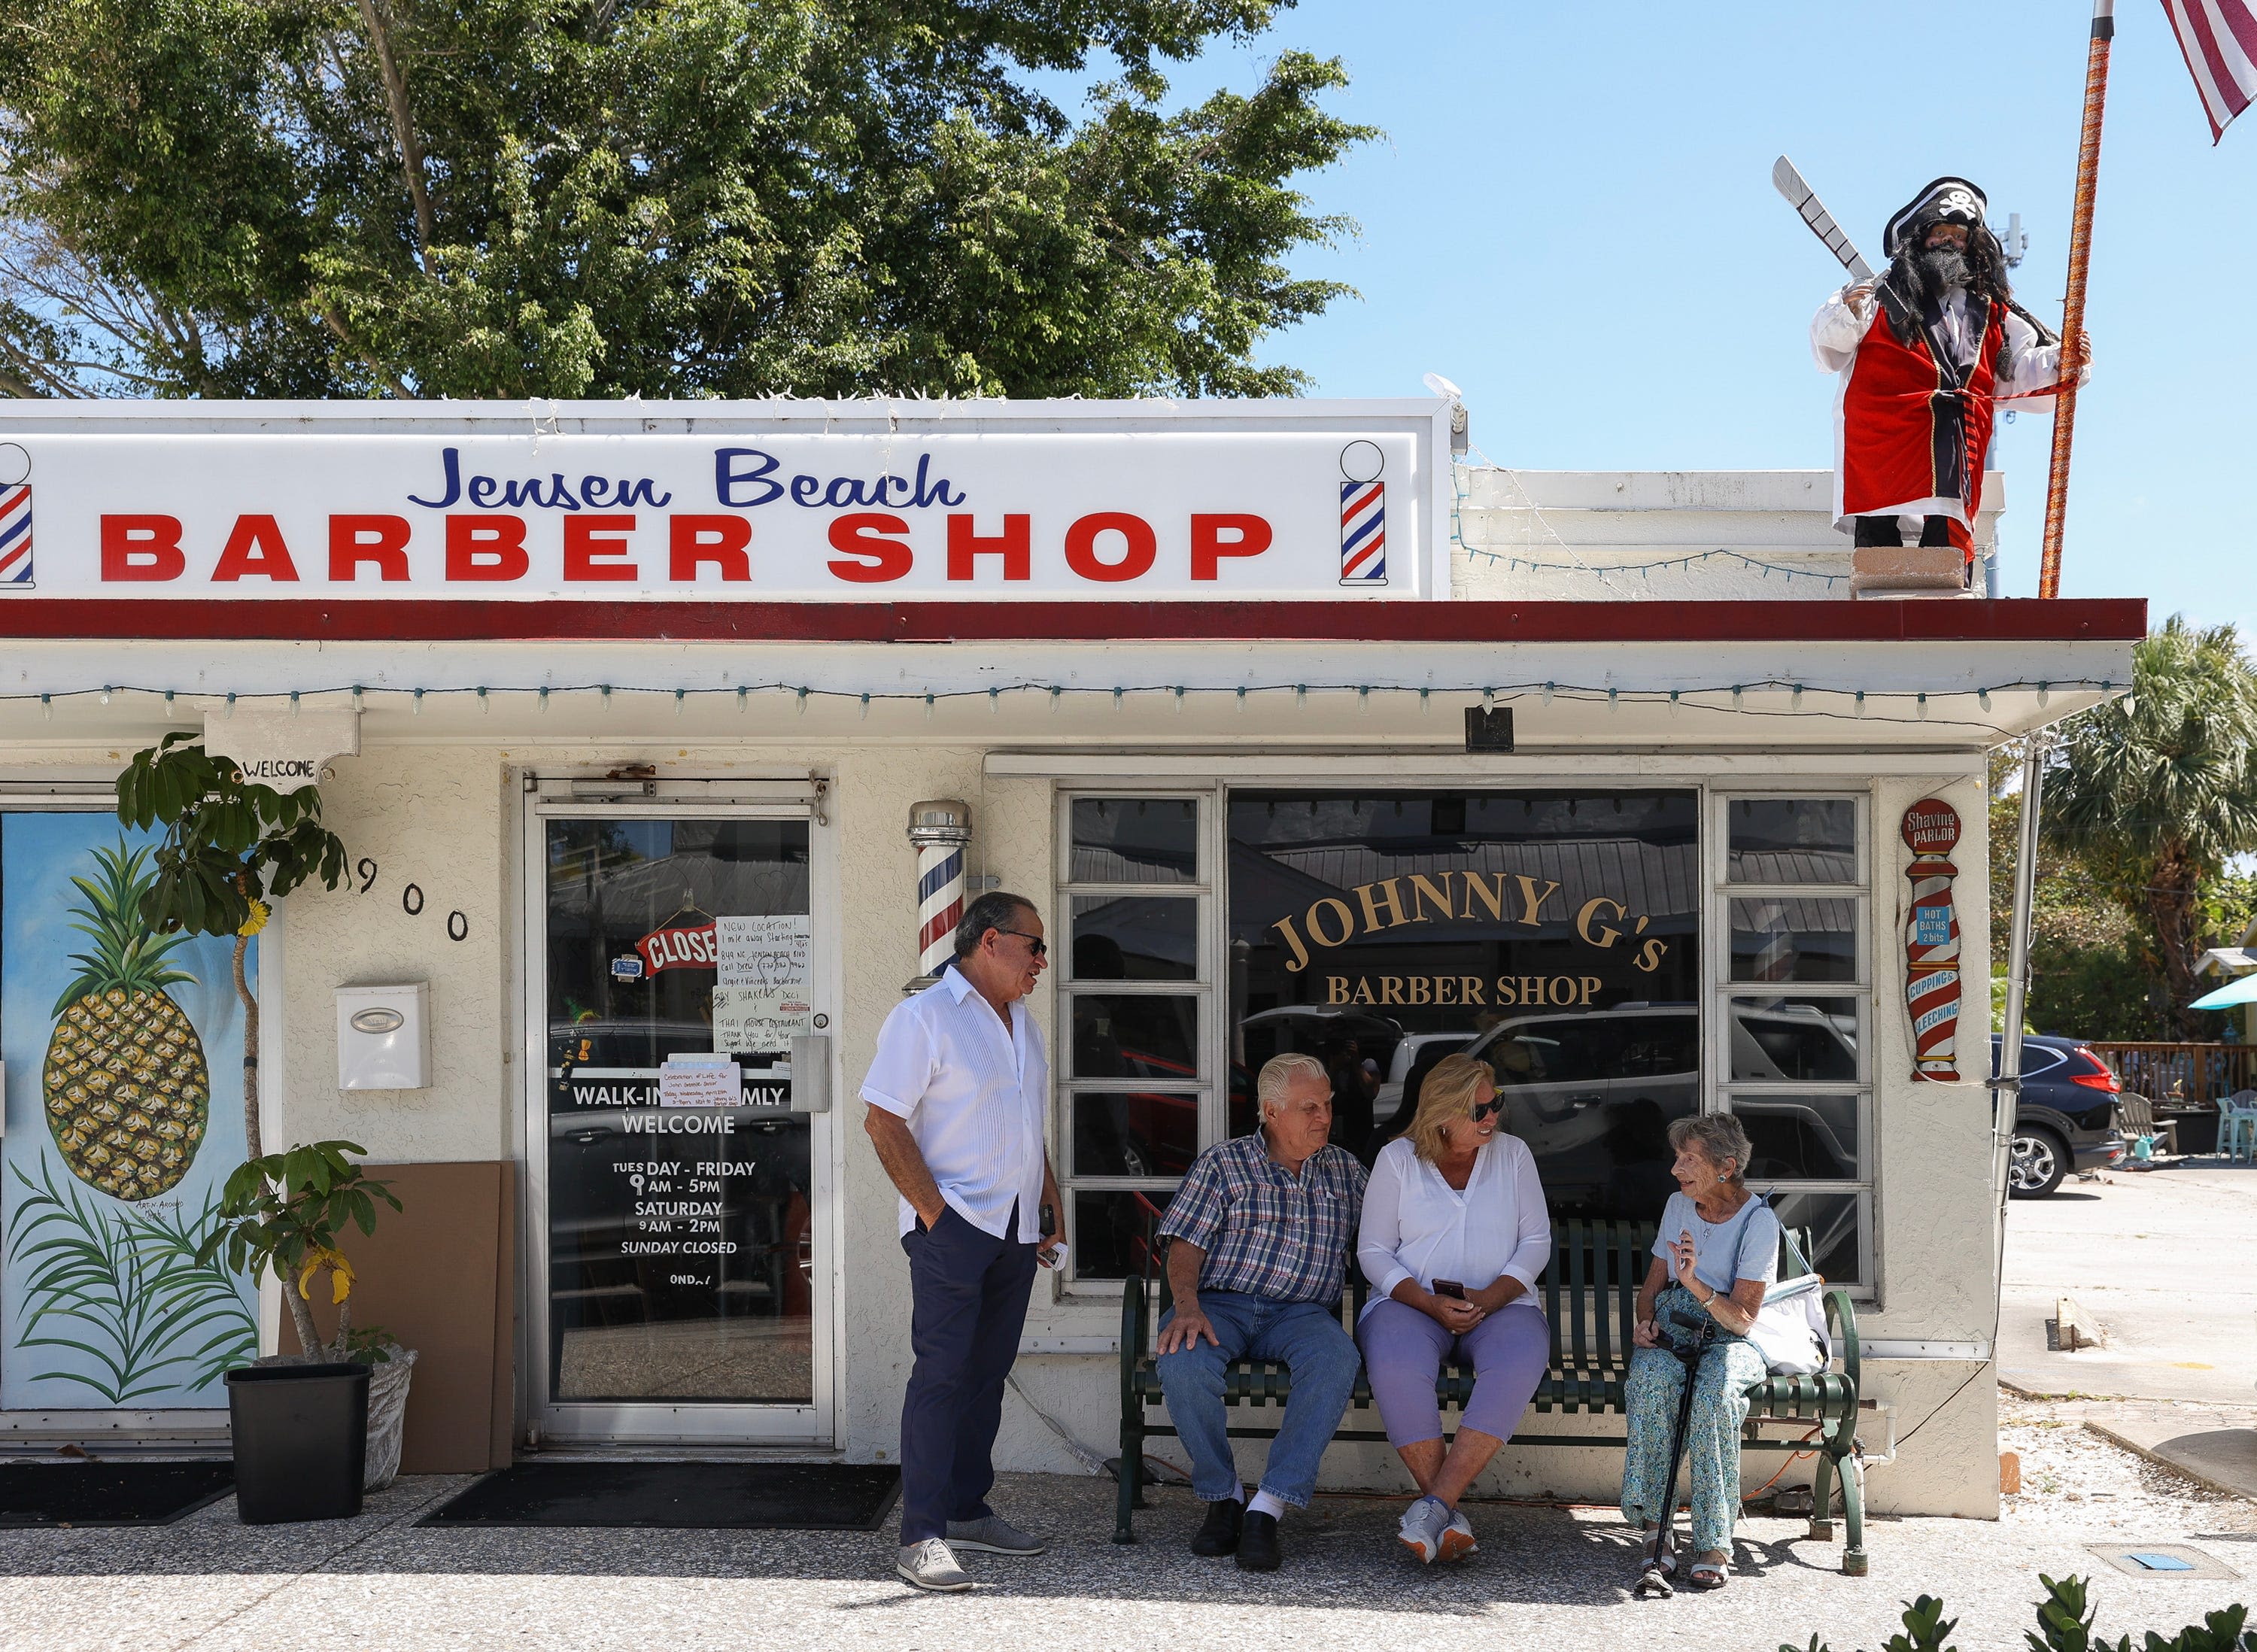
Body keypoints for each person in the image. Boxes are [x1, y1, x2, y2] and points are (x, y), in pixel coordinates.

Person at [861, 890, 1064, 1594]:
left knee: (985, 1377)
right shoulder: (925, 1017)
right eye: (1034, 945)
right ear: (988, 941)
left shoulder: (1023, 1023)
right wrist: (936, 1218)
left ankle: (967, 1508)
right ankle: (921, 1537)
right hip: (953, 1229)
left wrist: (1048, 1194)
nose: (1043, 959)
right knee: (942, 1376)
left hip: (1015, 1227)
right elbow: (883, 1123)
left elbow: (1024, 1120)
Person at [1154, 1052, 1368, 1572]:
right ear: (1271, 1111)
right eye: (1309, 1107)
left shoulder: (1345, 1171)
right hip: (1220, 1303)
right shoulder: (1225, 1164)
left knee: (1338, 1359)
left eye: (1327, 1105)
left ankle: (1267, 1508)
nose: (1324, 1117)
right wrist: (1186, 1307)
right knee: (1183, 1363)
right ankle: (1222, 1495)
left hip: (1301, 1313)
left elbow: (1391, 1239)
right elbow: (1184, 1244)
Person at [1810, 176, 2091, 569]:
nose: (1949, 241)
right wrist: (1847, 310)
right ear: (1920, 237)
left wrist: (2064, 361)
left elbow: (2015, 374)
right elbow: (1829, 351)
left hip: (1955, 444)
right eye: (1940, 231)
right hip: (1883, 440)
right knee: (1878, 549)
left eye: (1958, 235)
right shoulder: (1877, 294)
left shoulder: (1992, 312)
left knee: (1947, 552)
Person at [1355, 1053, 1552, 1563]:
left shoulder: (1513, 1155)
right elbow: (1373, 1250)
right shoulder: (1398, 1159)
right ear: (1443, 1112)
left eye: (1496, 1104)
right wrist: (1426, 1301)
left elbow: (1536, 1242)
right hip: (1412, 1303)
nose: (1493, 1117)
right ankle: (1446, 1513)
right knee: (1395, 1364)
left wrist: (1491, 1297)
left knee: (1517, 1362)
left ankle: (1435, 1507)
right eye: (1480, 1109)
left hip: (1503, 1303)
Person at [1619, 1114, 1780, 1591]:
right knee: (1649, 1385)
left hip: (1731, 1337)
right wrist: (1645, 1322)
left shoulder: (1758, 1221)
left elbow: (1744, 1319)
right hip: (1675, 1327)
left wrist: (1696, 1283)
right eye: (1677, 1157)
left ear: (1726, 1167)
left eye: (1689, 1160)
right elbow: (1653, 1283)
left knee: (1714, 1398)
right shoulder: (1678, 1204)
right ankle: (1655, 1529)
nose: (1676, 1169)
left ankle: (1713, 1542)